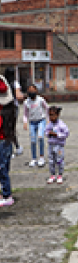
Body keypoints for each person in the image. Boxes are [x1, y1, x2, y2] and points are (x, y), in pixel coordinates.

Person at [23, 84, 49, 168]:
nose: (31, 92)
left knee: (40, 137)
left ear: (36, 91)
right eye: (29, 91)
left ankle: (41, 157)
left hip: (41, 121)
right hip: (32, 122)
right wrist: (25, 122)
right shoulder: (26, 102)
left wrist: (48, 120)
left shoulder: (40, 100)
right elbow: (25, 114)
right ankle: (34, 158)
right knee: (33, 140)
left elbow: (47, 108)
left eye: (33, 90)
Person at [0, 75, 16, 207]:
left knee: (2, 168)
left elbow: (3, 87)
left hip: (3, 140)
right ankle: (5, 193)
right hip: (5, 140)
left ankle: (7, 195)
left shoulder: (5, 110)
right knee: (3, 168)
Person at [45, 106, 70, 184]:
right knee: (51, 160)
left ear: (57, 115)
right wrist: (48, 134)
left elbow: (66, 133)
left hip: (59, 146)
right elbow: (46, 131)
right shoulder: (49, 124)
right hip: (51, 145)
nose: (51, 117)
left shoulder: (61, 124)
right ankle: (52, 175)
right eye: (49, 115)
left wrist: (57, 135)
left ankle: (60, 175)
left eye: (53, 115)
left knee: (59, 160)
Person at [3, 67, 24, 157]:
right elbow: (19, 96)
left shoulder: (3, 82)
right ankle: (15, 148)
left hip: (2, 107)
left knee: (4, 128)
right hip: (12, 107)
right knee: (11, 128)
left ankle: (8, 148)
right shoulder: (14, 83)